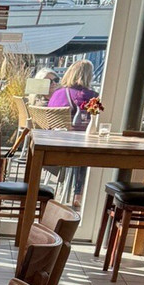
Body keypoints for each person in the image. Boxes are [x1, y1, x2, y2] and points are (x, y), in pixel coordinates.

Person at [48, 60, 98, 206]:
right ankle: (79, 193)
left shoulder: (57, 94)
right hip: (71, 149)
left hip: (51, 146)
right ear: (88, 76)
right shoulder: (89, 96)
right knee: (87, 151)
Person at [48, 60, 97, 126]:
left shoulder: (56, 93)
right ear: (88, 76)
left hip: (52, 130)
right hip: (74, 131)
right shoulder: (88, 96)